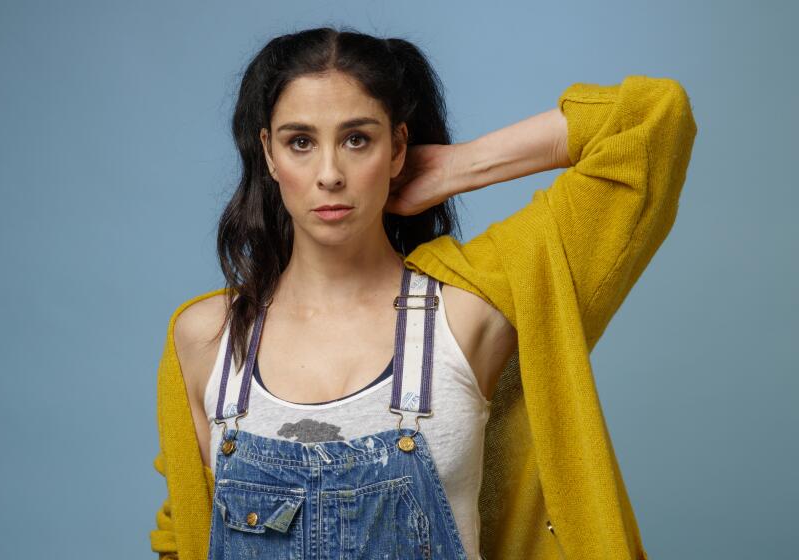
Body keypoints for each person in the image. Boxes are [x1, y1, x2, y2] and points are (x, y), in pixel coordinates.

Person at [150, 26, 697, 560]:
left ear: (397, 148)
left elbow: (653, 119)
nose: (330, 174)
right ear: (269, 154)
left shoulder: (468, 312)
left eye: (357, 139)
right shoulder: (207, 338)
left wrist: (456, 167)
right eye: (300, 142)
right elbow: (186, 536)